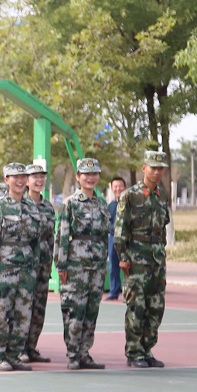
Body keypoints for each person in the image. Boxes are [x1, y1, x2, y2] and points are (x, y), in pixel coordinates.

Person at [0, 163, 39, 372]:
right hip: (4, 268)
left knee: (23, 314)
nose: (20, 181)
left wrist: (35, 266)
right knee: (1, 313)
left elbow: (36, 240)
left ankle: (14, 355)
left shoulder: (32, 206)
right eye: (15, 177)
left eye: (23, 177)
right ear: (7, 180)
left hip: (26, 269)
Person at [115, 150, 170, 368]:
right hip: (136, 258)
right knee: (136, 306)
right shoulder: (130, 196)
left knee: (156, 307)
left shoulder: (162, 195)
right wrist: (123, 257)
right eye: (153, 168)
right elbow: (120, 230)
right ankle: (134, 352)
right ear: (144, 168)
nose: (156, 172)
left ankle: (147, 349)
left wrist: (162, 250)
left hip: (156, 259)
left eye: (160, 169)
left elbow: (163, 228)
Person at [56, 158, 110, 370]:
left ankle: (85, 352)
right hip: (76, 266)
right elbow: (62, 236)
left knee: (91, 310)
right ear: (78, 177)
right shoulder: (70, 204)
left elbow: (105, 236)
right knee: (74, 311)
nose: (91, 178)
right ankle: (72, 354)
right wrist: (61, 265)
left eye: (94, 174)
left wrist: (104, 263)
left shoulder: (102, 204)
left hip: (97, 266)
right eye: (86, 174)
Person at [22, 163, 55, 363]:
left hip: (42, 265)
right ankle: (19, 349)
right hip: (24, 266)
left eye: (42, 177)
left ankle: (31, 347)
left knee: (39, 309)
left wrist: (50, 262)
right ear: (26, 181)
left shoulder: (48, 207)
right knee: (23, 308)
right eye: (35, 177)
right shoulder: (20, 204)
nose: (39, 180)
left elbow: (51, 237)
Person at [106, 176, 126, 300]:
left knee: (127, 266)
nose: (118, 189)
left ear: (125, 187)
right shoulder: (111, 206)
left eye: (120, 186)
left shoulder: (130, 204)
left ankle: (128, 293)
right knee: (113, 267)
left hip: (126, 239)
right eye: (115, 186)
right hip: (113, 239)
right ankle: (114, 292)